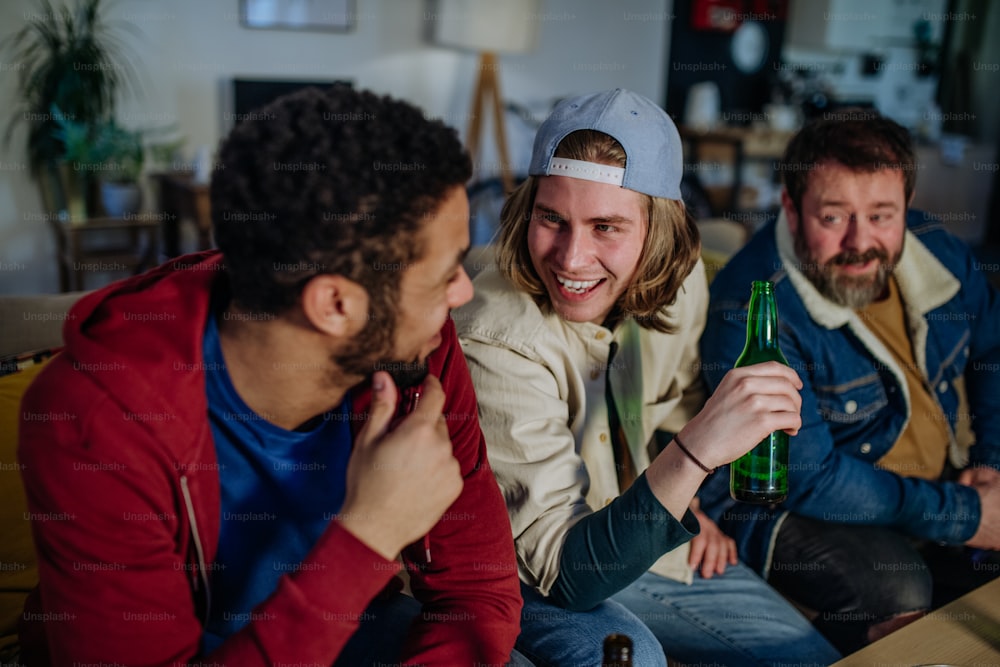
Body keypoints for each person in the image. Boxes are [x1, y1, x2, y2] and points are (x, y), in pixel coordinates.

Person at [17, 85, 524, 666]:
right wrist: (369, 534)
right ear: (334, 305)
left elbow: (476, 589)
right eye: (445, 273)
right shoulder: (89, 418)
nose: (463, 292)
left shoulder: (416, 345)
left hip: (351, 624)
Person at [454, 88, 841, 666]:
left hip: (629, 524)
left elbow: (673, 408)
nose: (571, 258)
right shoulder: (493, 333)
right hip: (518, 570)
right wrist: (689, 458)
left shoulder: (680, 282)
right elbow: (566, 576)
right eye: (551, 218)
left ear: (661, 227)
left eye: (605, 226)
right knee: (635, 660)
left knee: (806, 657)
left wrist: (681, 499)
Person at [699, 110, 1000, 654]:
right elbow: (811, 478)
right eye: (834, 218)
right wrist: (967, 516)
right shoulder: (755, 306)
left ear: (907, 206)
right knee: (899, 587)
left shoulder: (939, 249)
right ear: (791, 209)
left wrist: (991, 462)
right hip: (786, 502)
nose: (861, 242)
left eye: (883, 215)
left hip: (929, 483)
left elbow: (993, 350)